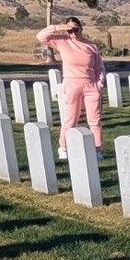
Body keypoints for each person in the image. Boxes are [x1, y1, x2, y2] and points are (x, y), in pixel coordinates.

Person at [36, 17, 105, 160]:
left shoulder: (91, 46)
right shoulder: (62, 41)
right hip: (72, 84)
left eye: (75, 29)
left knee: (94, 120)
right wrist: (58, 28)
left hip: (91, 85)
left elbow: (99, 67)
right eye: (70, 30)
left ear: (81, 28)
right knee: (71, 119)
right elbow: (41, 36)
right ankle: (64, 147)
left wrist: (100, 83)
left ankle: (97, 149)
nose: (73, 33)